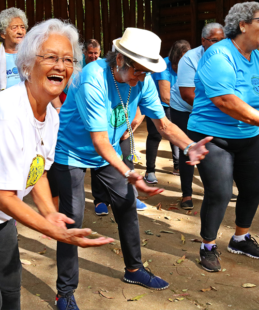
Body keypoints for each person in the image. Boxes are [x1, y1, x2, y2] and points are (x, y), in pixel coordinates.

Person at [0, 19, 113, 310]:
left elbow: (37, 170)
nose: (61, 66)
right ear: (28, 64)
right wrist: (51, 229)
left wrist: (49, 212)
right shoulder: (7, 114)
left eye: (68, 60)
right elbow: (4, 198)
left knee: (10, 286)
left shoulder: (51, 117)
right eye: (51, 57)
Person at [52, 27, 211, 310]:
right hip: (70, 153)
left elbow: (162, 124)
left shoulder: (142, 80)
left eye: (146, 73)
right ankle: (64, 291)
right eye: (138, 71)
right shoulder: (92, 80)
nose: (142, 78)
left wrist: (188, 146)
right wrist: (128, 172)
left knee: (126, 204)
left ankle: (134, 269)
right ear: (120, 61)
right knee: (72, 219)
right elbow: (99, 139)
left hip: (106, 152)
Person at [186, 2, 259, 272]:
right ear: (243, 24)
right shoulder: (219, 55)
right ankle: (207, 245)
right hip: (212, 136)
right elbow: (225, 100)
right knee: (220, 192)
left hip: (249, 134)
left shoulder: (257, 56)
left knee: (253, 188)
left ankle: (240, 238)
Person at [170, 22, 225, 210]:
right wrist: (218, 108)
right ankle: (186, 194)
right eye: (214, 40)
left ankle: (217, 189)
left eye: (223, 40)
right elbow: (187, 94)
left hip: (211, 108)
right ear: (203, 41)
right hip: (184, 108)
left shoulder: (228, 56)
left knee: (213, 149)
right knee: (190, 148)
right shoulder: (190, 58)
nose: (220, 44)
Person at [144, 40, 190, 184]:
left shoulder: (188, 66)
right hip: (157, 103)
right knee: (155, 135)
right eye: (183, 57)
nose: (186, 60)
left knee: (178, 132)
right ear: (175, 57)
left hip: (176, 103)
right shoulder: (163, 67)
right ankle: (150, 170)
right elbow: (165, 96)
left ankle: (177, 166)